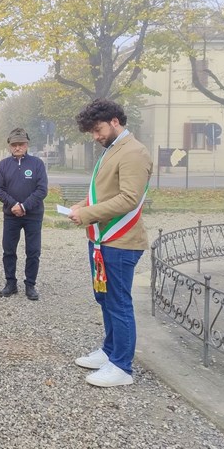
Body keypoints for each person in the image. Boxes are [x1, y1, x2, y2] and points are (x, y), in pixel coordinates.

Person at [68, 99, 152, 388]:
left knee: (118, 302)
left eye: (98, 129)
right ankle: (110, 351)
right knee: (104, 298)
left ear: (115, 121)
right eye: (92, 131)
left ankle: (122, 367)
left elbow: (129, 198)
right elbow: (103, 193)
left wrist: (87, 214)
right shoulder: (113, 150)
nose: (95, 136)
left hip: (121, 241)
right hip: (104, 240)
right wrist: (79, 207)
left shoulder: (134, 152)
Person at [0, 127, 48, 301]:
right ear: (10, 146)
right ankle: (10, 283)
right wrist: (14, 205)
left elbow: (42, 190)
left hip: (33, 215)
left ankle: (30, 284)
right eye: (14, 144)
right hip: (11, 215)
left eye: (21, 144)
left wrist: (24, 206)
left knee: (33, 251)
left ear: (27, 144)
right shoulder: (3, 165)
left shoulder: (37, 164)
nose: (18, 147)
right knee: (9, 250)